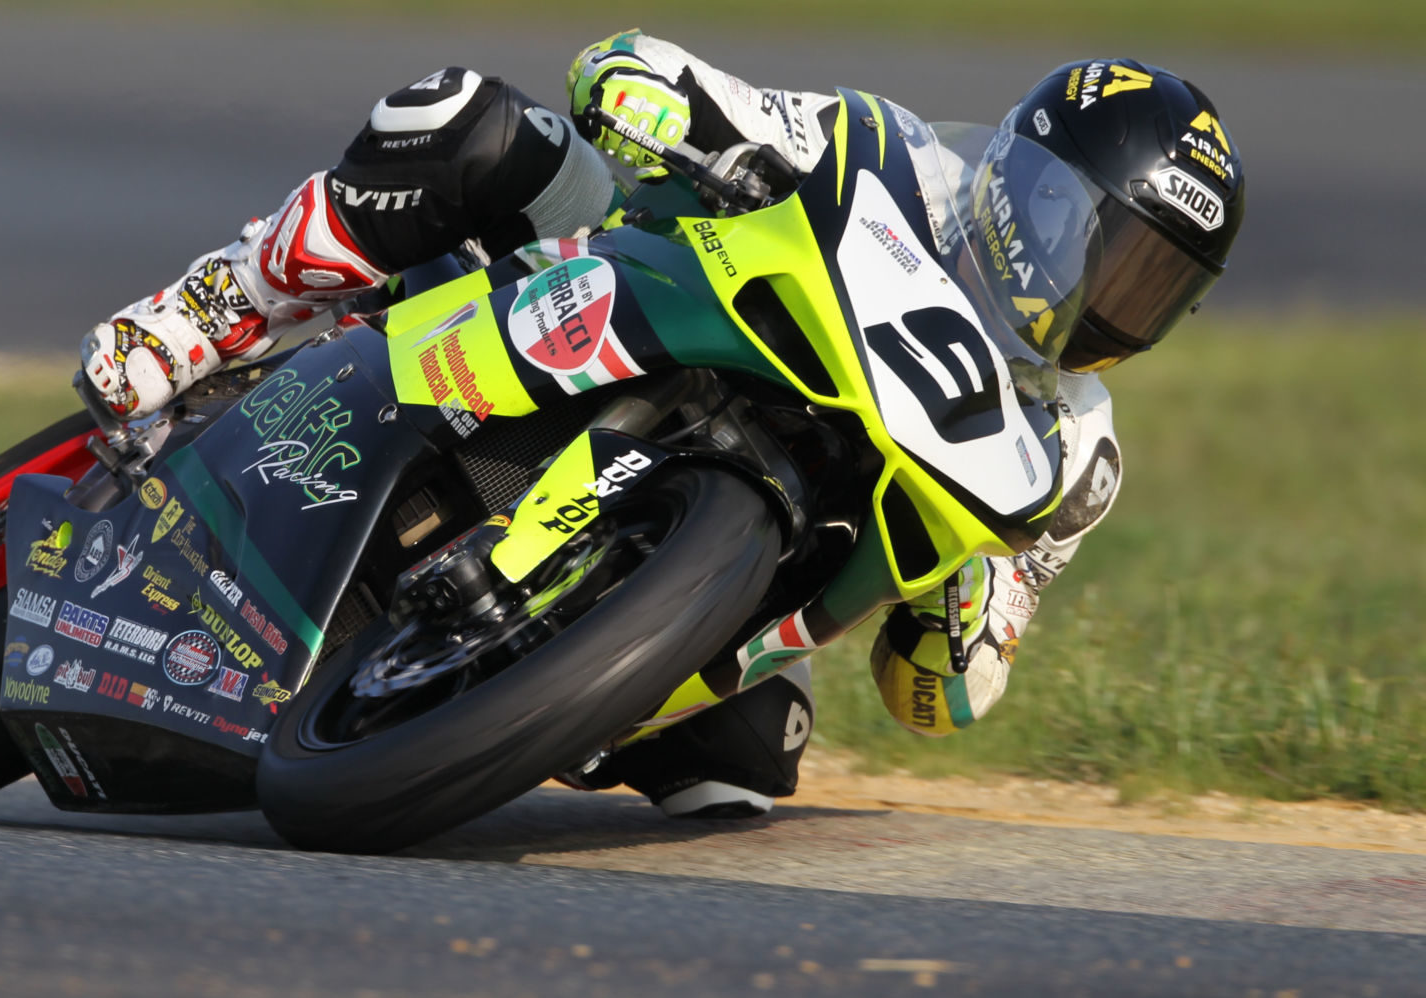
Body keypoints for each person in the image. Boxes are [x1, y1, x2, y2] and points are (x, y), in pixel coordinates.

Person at [79, 32, 1247, 818]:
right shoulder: (895, 156)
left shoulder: (1073, 462)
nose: (1102, 295)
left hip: (716, 608)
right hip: (611, 311)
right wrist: (668, 104)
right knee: (467, 120)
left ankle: (511, 691)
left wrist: (972, 602)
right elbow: (657, 78)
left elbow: (935, 696)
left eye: (1149, 284)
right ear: (1026, 184)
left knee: (742, 785)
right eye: (1097, 243)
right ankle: (206, 312)